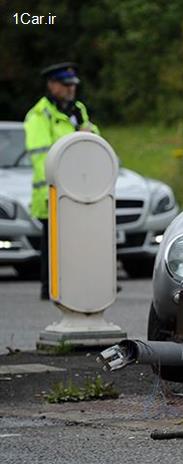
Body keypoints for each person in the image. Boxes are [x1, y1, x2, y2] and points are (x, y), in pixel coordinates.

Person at [23, 62, 99, 300]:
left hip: (78, 186)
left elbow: (93, 138)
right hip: (51, 189)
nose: (71, 90)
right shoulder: (39, 115)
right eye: (66, 85)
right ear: (52, 85)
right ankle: (50, 288)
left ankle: (80, 283)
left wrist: (88, 132)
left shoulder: (77, 110)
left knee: (78, 238)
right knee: (53, 244)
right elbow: (42, 156)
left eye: (73, 85)